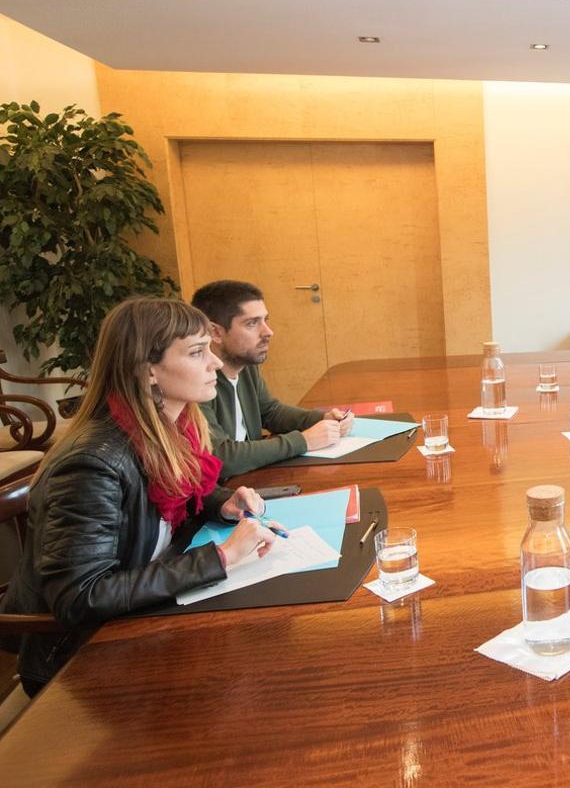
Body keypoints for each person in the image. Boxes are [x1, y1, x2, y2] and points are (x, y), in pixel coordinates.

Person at [0, 298, 284, 696]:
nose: (216, 364)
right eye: (198, 352)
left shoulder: (171, 426)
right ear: (148, 370)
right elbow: (81, 597)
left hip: (139, 616)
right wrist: (221, 557)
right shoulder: (91, 464)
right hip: (80, 660)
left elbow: (164, 500)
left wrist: (220, 501)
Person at [191, 280, 352, 477]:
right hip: (225, 495)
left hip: (250, 480)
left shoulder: (246, 367)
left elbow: (270, 412)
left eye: (266, 320)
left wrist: (322, 419)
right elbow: (219, 457)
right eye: (252, 323)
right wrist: (304, 441)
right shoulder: (196, 382)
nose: (268, 332)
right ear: (215, 332)